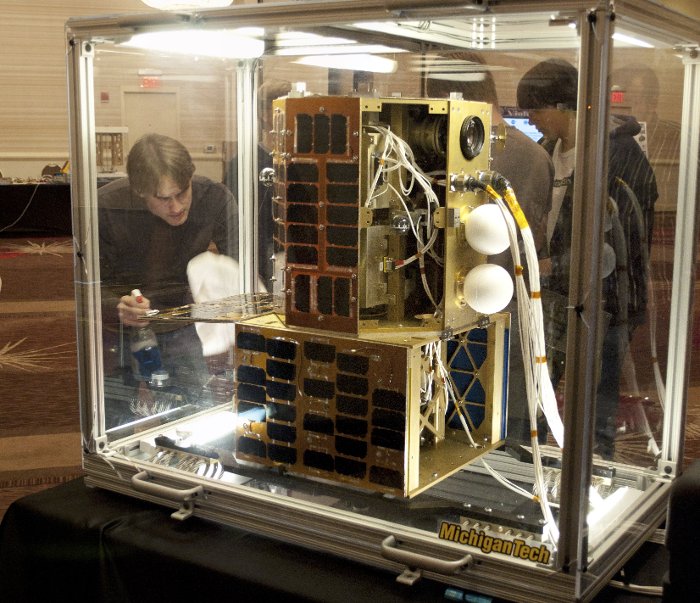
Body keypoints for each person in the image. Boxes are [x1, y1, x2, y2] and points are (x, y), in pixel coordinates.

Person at [517, 58, 658, 459]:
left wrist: (552, 266)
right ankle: (534, 481)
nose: (532, 118)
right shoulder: (546, 151)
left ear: (561, 105)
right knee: (537, 395)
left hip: (607, 302)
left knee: (597, 406)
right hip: (552, 301)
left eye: (535, 109)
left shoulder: (619, 153)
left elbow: (622, 245)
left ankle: (596, 488)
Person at [426, 52, 555, 446]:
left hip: (465, 321)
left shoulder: (438, 154)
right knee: (502, 435)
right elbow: (538, 254)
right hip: (503, 320)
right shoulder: (535, 156)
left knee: (455, 436)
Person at [99, 133, 239, 427]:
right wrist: (117, 305)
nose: (176, 207)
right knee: (116, 417)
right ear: (139, 191)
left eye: (182, 193)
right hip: (124, 326)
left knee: (193, 411)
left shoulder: (213, 197)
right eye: (163, 199)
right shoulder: (107, 206)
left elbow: (248, 266)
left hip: (184, 318)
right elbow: (89, 287)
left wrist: (218, 286)